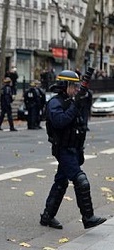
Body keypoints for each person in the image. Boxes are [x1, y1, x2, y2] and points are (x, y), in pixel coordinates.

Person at [40, 70, 106, 230]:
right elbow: (59, 122)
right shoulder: (55, 103)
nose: (76, 89)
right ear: (64, 85)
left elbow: (80, 126)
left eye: (78, 86)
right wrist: (75, 105)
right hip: (63, 148)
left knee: (61, 182)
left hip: (73, 149)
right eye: (73, 86)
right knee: (81, 180)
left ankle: (47, 216)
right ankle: (88, 217)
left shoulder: (71, 101)